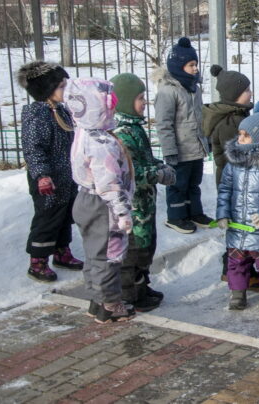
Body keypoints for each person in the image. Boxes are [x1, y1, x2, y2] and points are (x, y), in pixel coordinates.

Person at [66, 77, 135, 323]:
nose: (113, 107)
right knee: (109, 254)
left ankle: (96, 299)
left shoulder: (83, 132)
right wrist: (123, 213)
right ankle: (110, 305)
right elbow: (110, 183)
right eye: (110, 103)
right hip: (103, 206)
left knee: (94, 253)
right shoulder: (102, 143)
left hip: (85, 199)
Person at [111, 74, 176, 312]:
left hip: (145, 207)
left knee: (146, 248)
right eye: (140, 98)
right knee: (133, 253)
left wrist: (159, 165)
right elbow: (129, 171)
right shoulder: (122, 133)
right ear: (126, 101)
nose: (144, 103)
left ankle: (143, 286)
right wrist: (155, 174)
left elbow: (144, 160)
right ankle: (130, 295)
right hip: (132, 208)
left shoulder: (135, 129)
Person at [17, 61, 82, 282]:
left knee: (64, 217)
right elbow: (33, 149)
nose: (67, 90)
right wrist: (42, 175)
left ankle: (62, 252)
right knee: (47, 219)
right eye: (61, 86)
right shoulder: (37, 115)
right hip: (48, 181)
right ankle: (38, 261)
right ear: (46, 90)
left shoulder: (62, 111)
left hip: (66, 177)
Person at [217, 103, 259, 310]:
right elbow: (225, 190)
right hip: (237, 225)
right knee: (236, 262)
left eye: (245, 136)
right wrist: (223, 214)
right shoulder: (233, 163)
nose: (240, 139)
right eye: (239, 135)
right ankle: (237, 294)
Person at [154, 37, 212, 234]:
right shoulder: (168, 91)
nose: (195, 68)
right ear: (179, 66)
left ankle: (194, 212)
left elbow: (199, 118)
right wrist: (169, 151)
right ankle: (176, 216)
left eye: (196, 64)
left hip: (195, 148)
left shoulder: (194, 88)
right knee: (178, 185)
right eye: (191, 65)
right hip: (179, 151)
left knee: (193, 184)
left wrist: (206, 140)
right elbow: (164, 124)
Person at [202, 65, 253, 185]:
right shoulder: (230, 122)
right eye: (246, 90)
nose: (251, 93)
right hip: (232, 181)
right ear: (233, 96)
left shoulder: (238, 115)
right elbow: (235, 156)